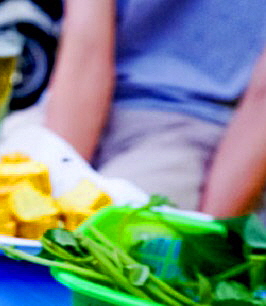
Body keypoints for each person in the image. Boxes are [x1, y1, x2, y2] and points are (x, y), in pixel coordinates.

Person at [32, 0, 266, 217]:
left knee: (108, 231)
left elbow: (261, 100)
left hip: (197, 127)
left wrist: (211, 229)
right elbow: (85, 50)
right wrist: (52, 190)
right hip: (79, 105)